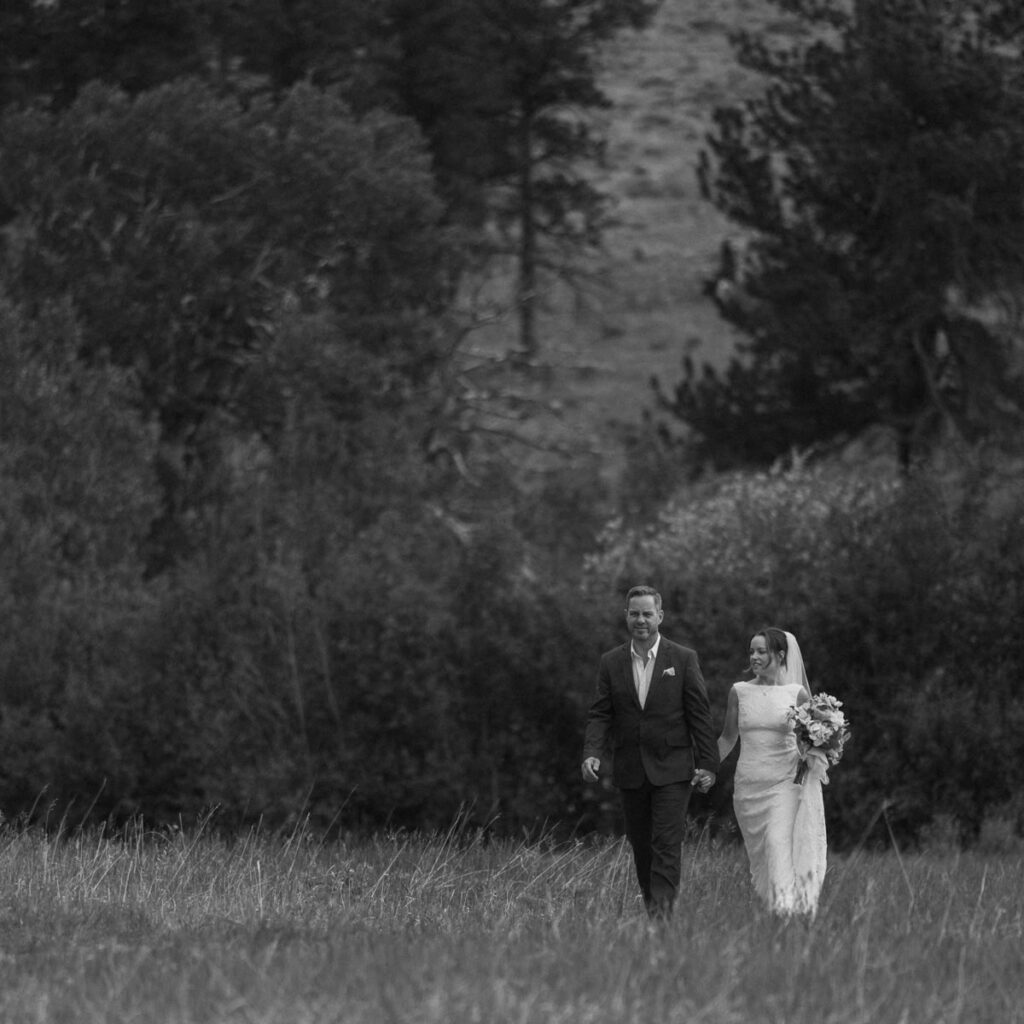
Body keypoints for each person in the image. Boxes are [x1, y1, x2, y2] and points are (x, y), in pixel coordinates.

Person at [582, 585, 719, 919]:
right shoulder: (611, 662)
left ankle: (661, 920)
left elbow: (699, 714)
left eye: (647, 613)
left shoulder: (683, 659)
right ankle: (654, 910)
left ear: (660, 616)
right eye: (634, 613)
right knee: (642, 848)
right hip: (630, 770)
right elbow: (601, 713)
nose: (640, 620)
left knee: (666, 844)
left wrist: (709, 764)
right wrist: (592, 751)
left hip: (672, 769)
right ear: (626, 616)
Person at [716, 627, 827, 917]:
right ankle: (776, 916)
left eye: (761, 651)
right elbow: (728, 738)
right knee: (762, 857)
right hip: (749, 788)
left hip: (784, 784)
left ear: (779, 655)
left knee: (778, 843)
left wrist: (821, 747)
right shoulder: (739, 691)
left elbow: (810, 739)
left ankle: (785, 915)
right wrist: (704, 765)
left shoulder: (796, 693)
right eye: (752, 651)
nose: (754, 656)